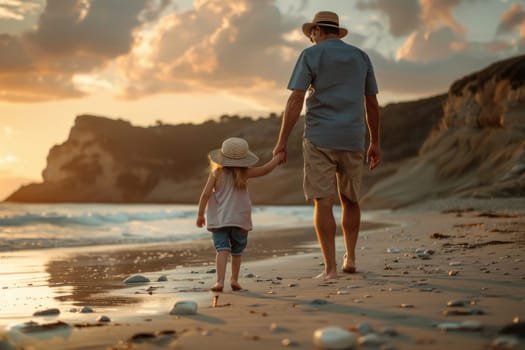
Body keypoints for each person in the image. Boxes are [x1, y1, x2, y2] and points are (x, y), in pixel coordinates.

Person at [273, 11, 381, 280]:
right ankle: (352, 258)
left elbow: (295, 100)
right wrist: (375, 142)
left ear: (318, 31)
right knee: (351, 200)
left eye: (311, 33)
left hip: (320, 137)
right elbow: (371, 104)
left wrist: (281, 142)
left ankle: (330, 269)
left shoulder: (310, 55)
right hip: (353, 138)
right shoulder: (361, 57)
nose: (311, 38)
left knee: (323, 202)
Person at [197, 137, 285, 292]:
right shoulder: (245, 173)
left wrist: (200, 215)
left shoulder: (216, 173)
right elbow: (266, 169)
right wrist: (278, 158)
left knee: (222, 250)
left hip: (220, 220)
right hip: (240, 219)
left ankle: (219, 282)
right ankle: (234, 280)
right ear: (244, 159)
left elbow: (205, 195)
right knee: (237, 252)